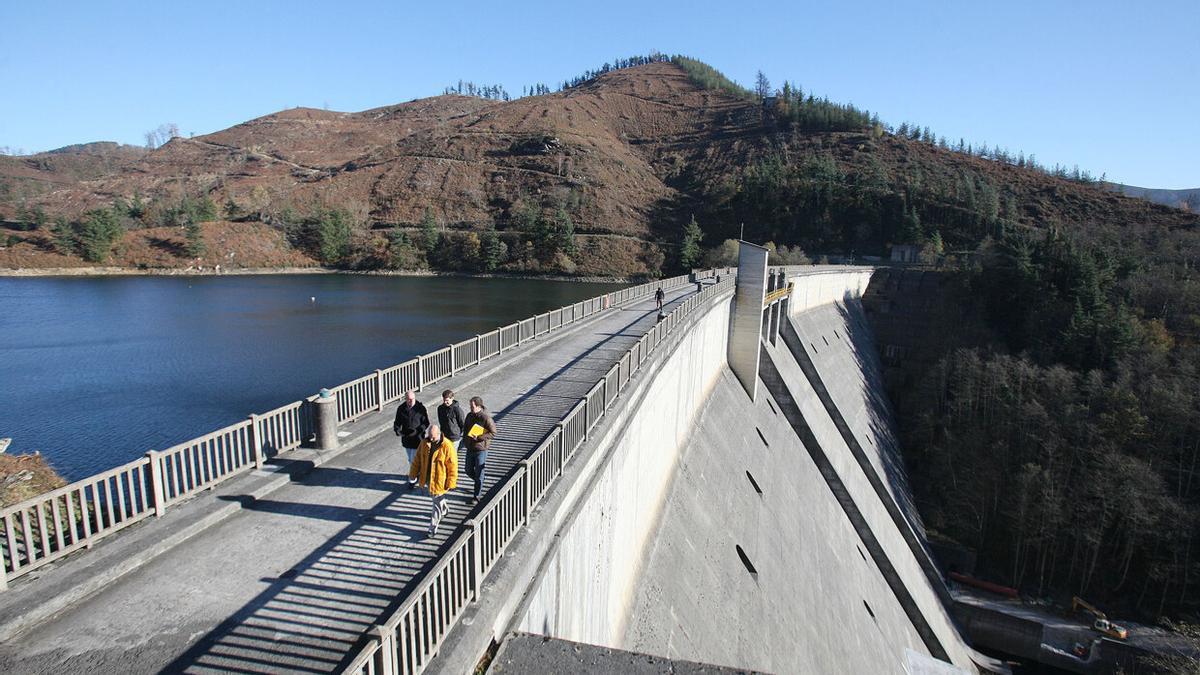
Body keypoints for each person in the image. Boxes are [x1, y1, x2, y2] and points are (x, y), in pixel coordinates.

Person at [409, 425, 458, 537]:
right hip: (428, 478)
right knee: (437, 498)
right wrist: (412, 474)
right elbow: (417, 460)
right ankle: (445, 509)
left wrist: (451, 482)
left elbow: (452, 466)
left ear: (439, 434)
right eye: (429, 436)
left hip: (439, 480)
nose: (430, 439)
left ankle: (432, 527)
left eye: (433, 437)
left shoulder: (447, 446)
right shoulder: (424, 443)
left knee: (435, 504)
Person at [461, 396, 497, 502]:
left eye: (472, 406)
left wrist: (480, 437)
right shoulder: (469, 415)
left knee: (479, 472)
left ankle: (477, 495)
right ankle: (479, 481)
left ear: (478, 406)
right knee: (468, 470)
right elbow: (466, 429)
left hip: (481, 449)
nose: (470, 408)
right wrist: (465, 441)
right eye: (470, 406)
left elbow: (493, 432)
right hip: (470, 447)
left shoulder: (486, 418)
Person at [393, 390, 429, 487]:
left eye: (412, 399)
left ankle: (412, 479)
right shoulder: (401, 408)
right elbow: (397, 422)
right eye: (408, 399)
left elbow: (426, 423)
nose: (410, 401)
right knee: (410, 459)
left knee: (413, 459)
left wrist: (418, 431)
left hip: (418, 439)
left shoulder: (420, 408)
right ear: (405, 399)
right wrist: (397, 430)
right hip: (407, 439)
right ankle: (417, 473)